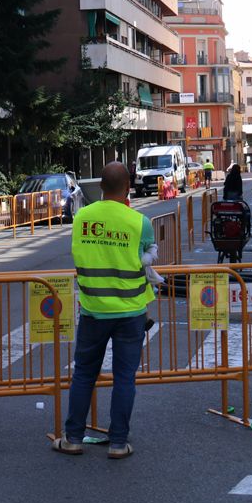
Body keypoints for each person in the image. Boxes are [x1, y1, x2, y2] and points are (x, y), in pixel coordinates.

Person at [53, 162, 155, 460]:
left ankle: (73, 438)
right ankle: (118, 443)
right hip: (131, 312)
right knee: (125, 377)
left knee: (84, 374)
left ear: (100, 187)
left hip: (93, 310)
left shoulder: (82, 217)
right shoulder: (139, 222)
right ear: (127, 188)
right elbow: (146, 263)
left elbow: (79, 258)